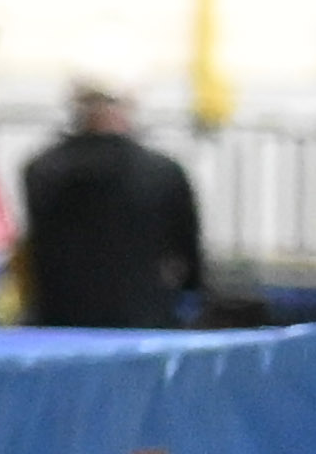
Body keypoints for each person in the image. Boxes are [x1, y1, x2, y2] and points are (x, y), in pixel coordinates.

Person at [23, 82, 203, 330]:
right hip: (144, 321)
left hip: (62, 321)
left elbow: (37, 255)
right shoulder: (164, 172)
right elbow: (188, 255)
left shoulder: (42, 170)